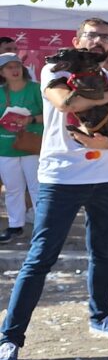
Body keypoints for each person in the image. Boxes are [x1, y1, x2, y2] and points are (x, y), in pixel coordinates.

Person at [0, 18, 108, 360]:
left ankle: (101, 316)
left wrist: (107, 143)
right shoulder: (55, 71)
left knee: (103, 251)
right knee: (41, 256)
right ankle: (9, 338)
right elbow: (66, 103)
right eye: (91, 35)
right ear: (77, 40)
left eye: (105, 37)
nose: (97, 42)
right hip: (61, 178)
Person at [0, 53, 42, 243]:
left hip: (32, 145)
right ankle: (16, 226)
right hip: (6, 147)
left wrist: (30, 119)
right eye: (9, 67)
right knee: (12, 189)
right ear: (2, 72)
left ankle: (43, 226)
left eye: (17, 65)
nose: (15, 70)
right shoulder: (1, 91)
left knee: (37, 187)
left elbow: (51, 115)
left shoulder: (36, 89)